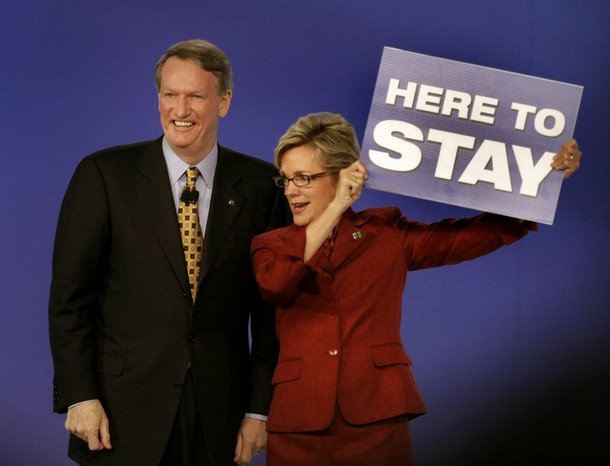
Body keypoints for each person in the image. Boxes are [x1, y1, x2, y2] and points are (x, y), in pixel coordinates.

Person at [250, 112, 581, 465]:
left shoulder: (385, 231)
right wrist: (335, 209)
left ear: (341, 173)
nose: (290, 191)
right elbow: (278, 284)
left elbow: (464, 238)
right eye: (285, 180)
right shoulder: (270, 244)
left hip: (376, 418)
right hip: (299, 424)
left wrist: (546, 180)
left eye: (303, 178)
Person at [49, 39, 289, 466]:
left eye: (195, 96)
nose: (180, 110)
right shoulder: (104, 176)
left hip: (220, 418)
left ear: (224, 102)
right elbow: (71, 299)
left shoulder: (262, 186)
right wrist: (79, 396)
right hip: (119, 414)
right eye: (170, 95)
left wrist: (259, 408)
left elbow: (271, 312)